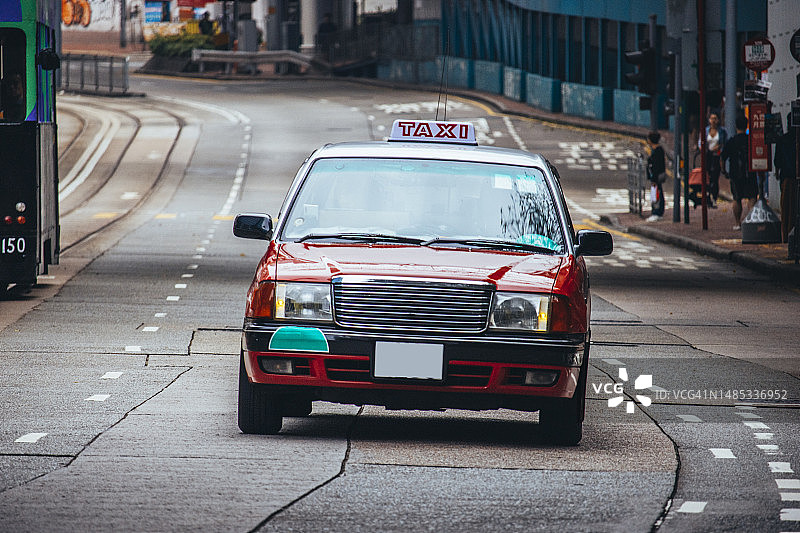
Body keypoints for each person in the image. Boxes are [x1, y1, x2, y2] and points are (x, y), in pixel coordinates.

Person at [720, 115, 758, 230]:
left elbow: (722, 158)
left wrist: (724, 171)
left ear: (736, 126)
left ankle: (737, 223)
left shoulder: (732, 141)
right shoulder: (750, 140)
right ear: (746, 125)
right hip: (750, 172)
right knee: (752, 197)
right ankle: (752, 221)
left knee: (737, 198)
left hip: (735, 174)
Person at [774, 113, 797, 243]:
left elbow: (777, 162)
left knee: (787, 210)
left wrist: (778, 174)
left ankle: (787, 236)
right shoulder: (787, 140)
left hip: (786, 178)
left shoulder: (783, 140)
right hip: (790, 177)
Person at [699, 110, 728, 207]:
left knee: (715, 178)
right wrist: (704, 148)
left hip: (716, 157)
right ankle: (707, 198)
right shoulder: (705, 130)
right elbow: (700, 142)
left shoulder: (722, 131)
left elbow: (724, 144)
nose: (713, 121)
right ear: (709, 120)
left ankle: (714, 198)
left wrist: (719, 149)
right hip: (707, 156)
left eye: (715, 119)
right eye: (712, 118)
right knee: (707, 177)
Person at [646, 131, 666, 222]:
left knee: (657, 194)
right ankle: (656, 212)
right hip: (654, 177)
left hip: (656, 177)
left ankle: (657, 213)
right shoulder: (655, 150)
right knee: (656, 194)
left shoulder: (658, 151)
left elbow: (656, 166)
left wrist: (654, 178)